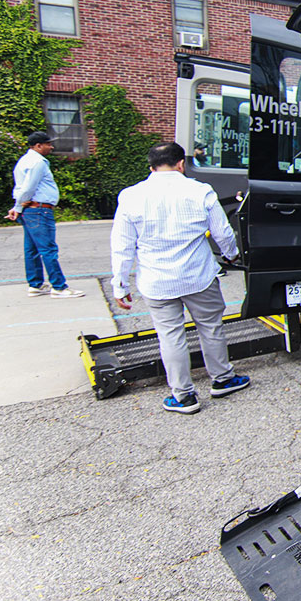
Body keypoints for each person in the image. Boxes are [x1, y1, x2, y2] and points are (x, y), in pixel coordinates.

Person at [110, 141, 249, 414]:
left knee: (170, 336)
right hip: (198, 275)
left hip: (156, 281)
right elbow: (222, 232)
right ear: (181, 164)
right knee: (210, 327)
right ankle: (223, 379)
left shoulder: (130, 195)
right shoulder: (200, 191)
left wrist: (120, 283)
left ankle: (183, 396)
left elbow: (122, 244)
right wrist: (232, 255)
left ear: (151, 167)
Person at [5, 131, 85, 298]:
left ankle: (35, 284)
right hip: (39, 210)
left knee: (32, 249)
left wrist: (17, 207)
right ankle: (59, 287)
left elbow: (21, 188)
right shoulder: (38, 162)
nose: (51, 147)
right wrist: (19, 204)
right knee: (48, 249)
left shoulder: (24, 161)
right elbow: (28, 188)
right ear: (38, 146)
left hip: (30, 211)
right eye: (48, 144)